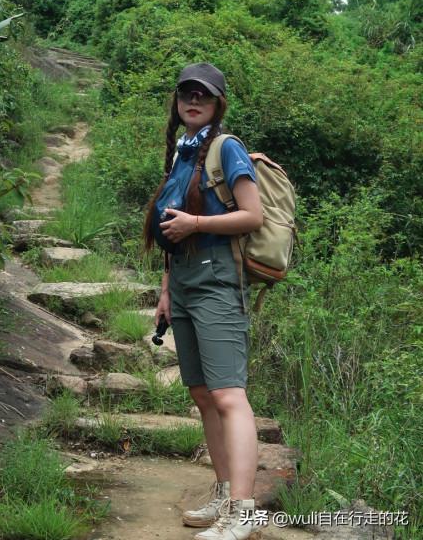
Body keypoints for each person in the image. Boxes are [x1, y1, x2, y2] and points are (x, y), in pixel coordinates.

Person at [143, 62, 263, 540]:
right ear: (177, 101)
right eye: (186, 94)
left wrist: (197, 225)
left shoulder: (225, 148)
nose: (193, 101)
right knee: (201, 393)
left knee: (229, 394)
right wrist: (167, 290)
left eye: (204, 96)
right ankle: (224, 489)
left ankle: (243, 512)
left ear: (218, 104)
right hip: (187, 278)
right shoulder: (182, 153)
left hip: (218, 278)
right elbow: (170, 228)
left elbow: (251, 215)